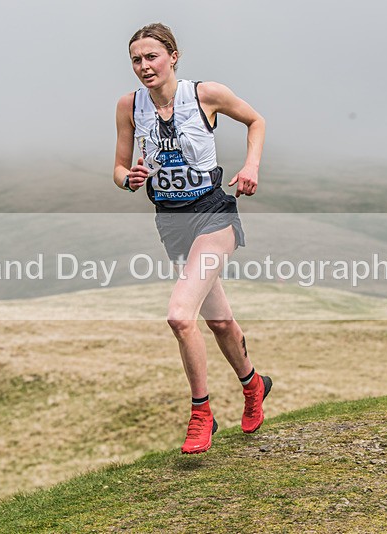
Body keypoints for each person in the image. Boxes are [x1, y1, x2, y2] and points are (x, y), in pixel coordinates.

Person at [113, 23, 270, 454]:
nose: (144, 67)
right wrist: (131, 179)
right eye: (136, 60)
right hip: (171, 221)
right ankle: (254, 384)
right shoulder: (129, 106)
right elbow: (119, 169)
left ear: (173, 56)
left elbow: (255, 121)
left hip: (213, 215)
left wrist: (251, 166)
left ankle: (202, 413)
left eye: (151, 57)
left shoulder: (206, 95)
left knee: (181, 316)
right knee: (218, 321)